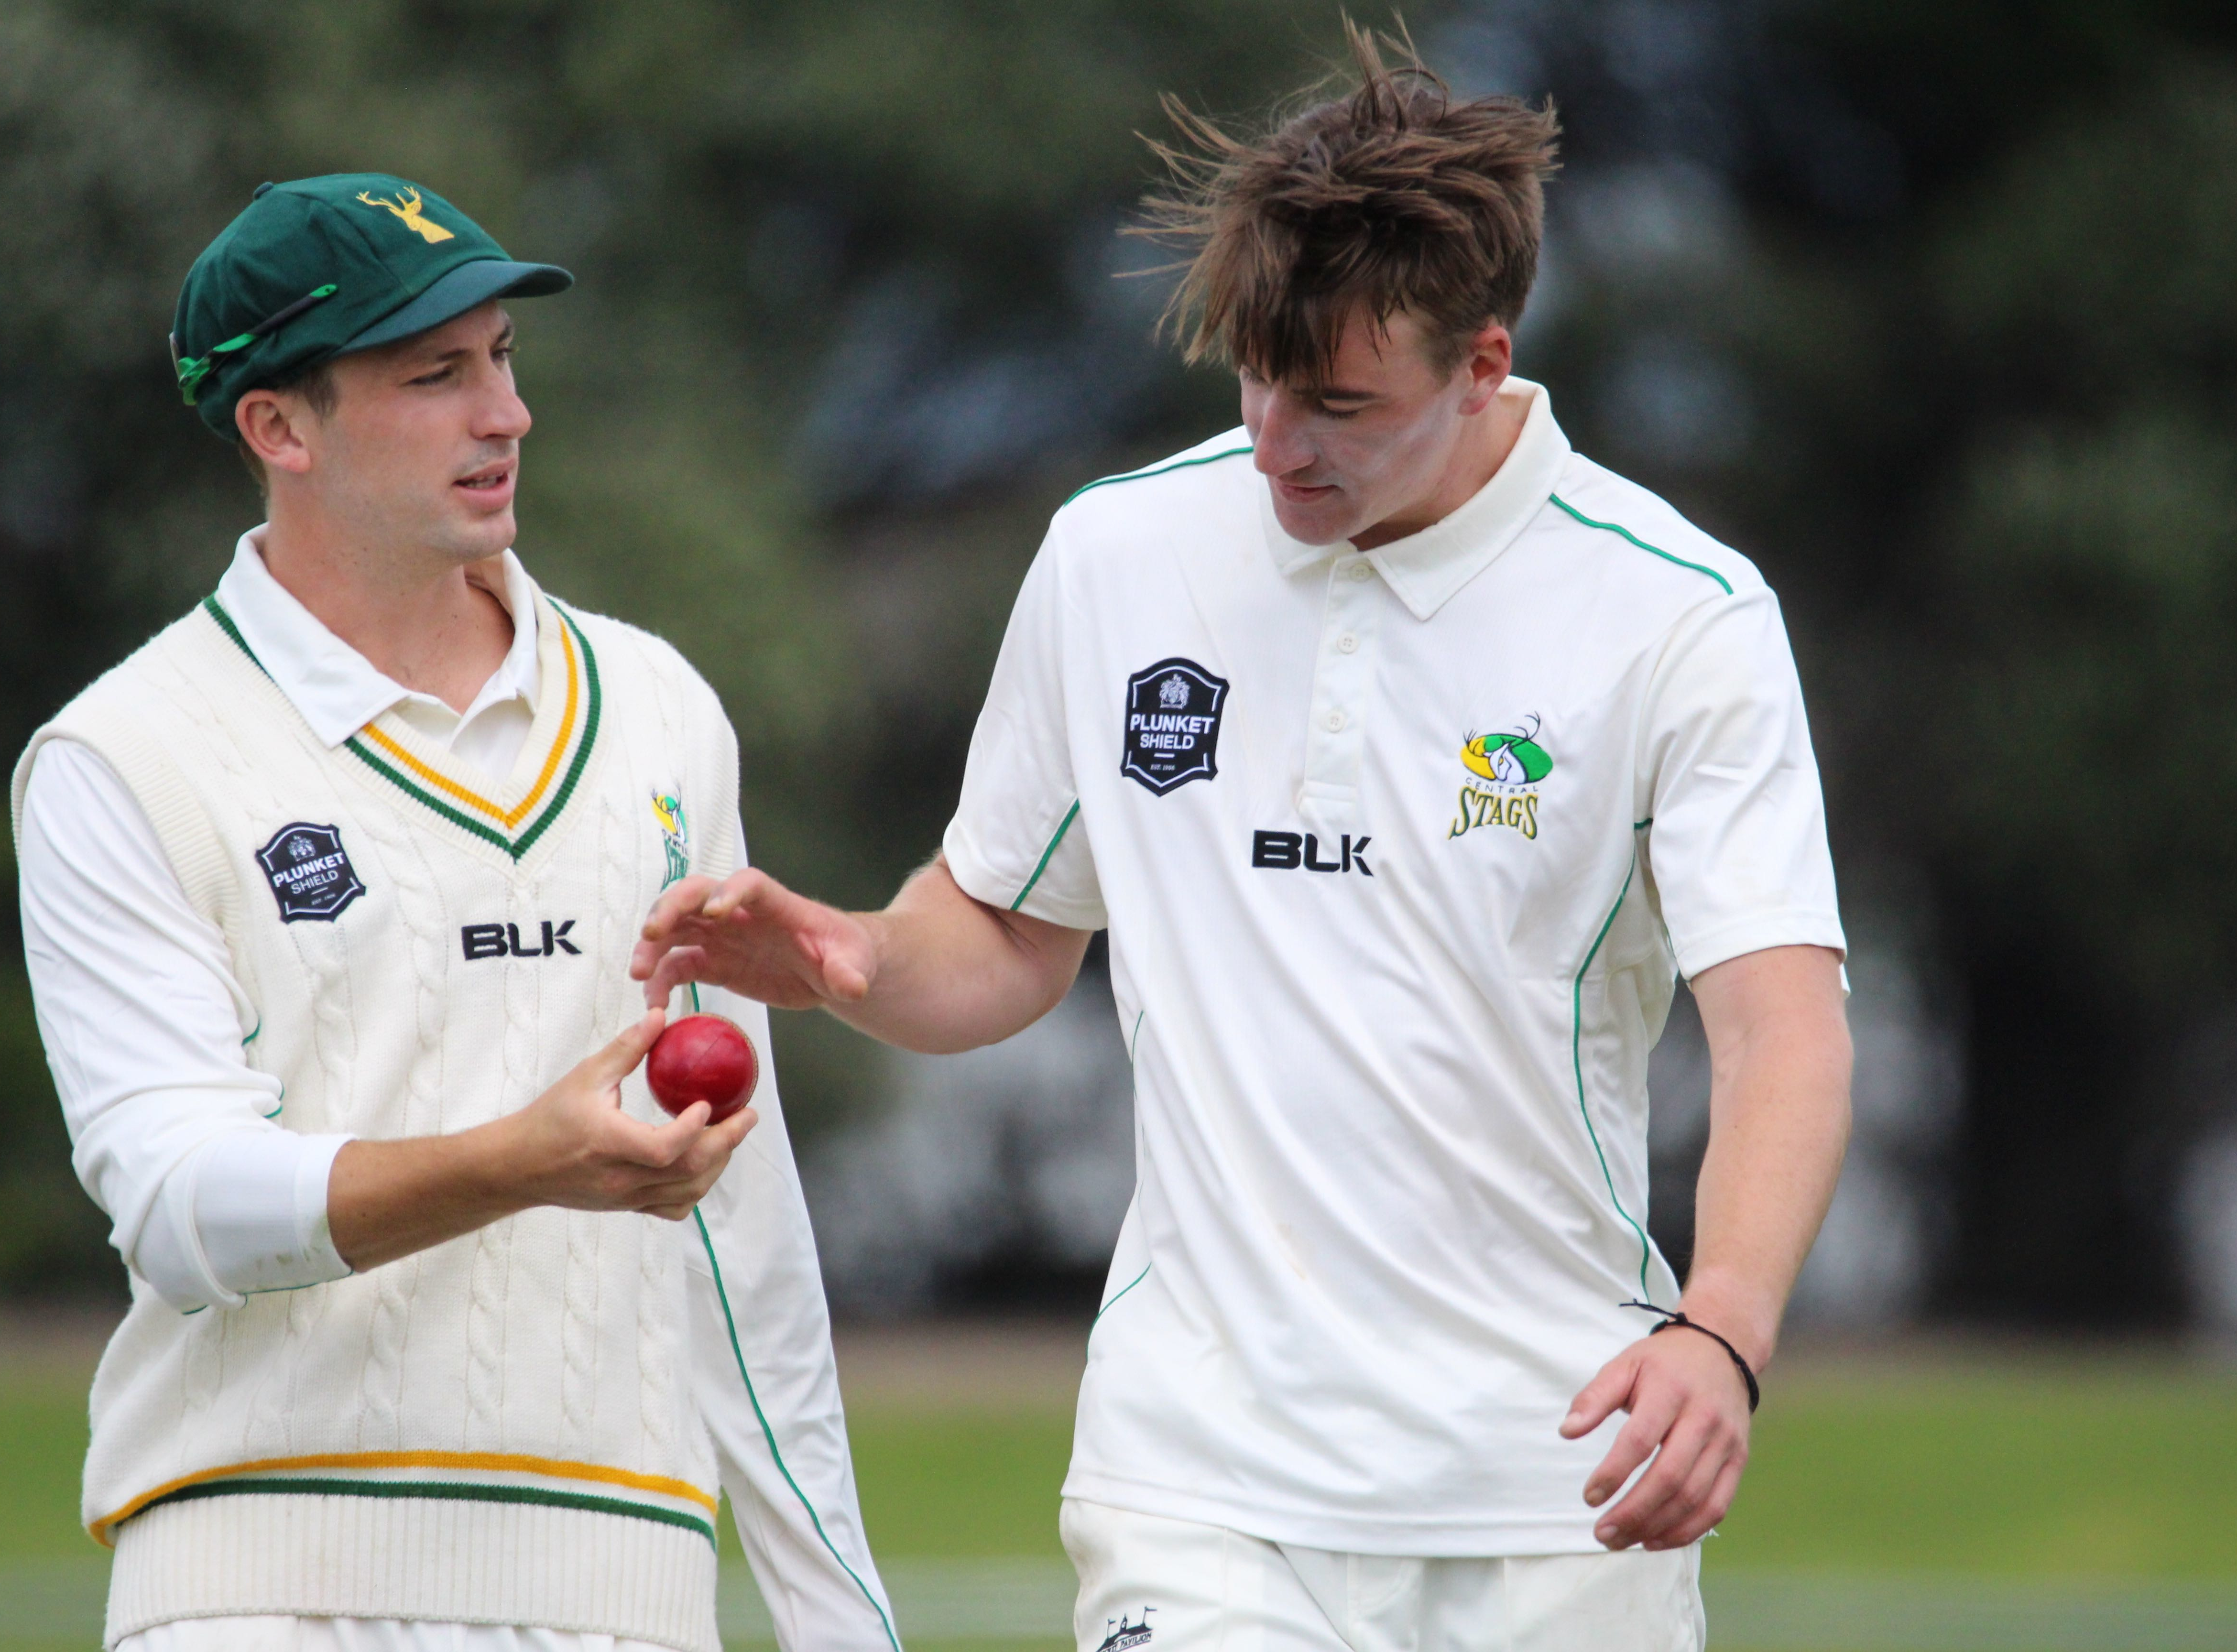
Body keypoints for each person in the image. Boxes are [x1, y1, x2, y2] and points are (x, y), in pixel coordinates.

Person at [634, 25, 1852, 1652]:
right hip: (1198, 1481)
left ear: (1485, 363)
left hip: (1559, 1487)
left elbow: (1785, 1028)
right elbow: (999, 936)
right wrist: (847, 959)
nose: (1279, 442)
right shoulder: (1116, 556)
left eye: (1341, 404)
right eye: (1258, 379)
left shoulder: (1676, 615)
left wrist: (1725, 1332)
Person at [11, 174, 899, 1652]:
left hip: (627, 1593)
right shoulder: (124, 755)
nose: (506, 415)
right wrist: (519, 1163)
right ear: (278, 429)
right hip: (253, 1592)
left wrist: (840, 1621)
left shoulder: (661, 712)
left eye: (504, 358)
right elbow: (178, 1205)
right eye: (436, 376)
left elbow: (742, 1219)